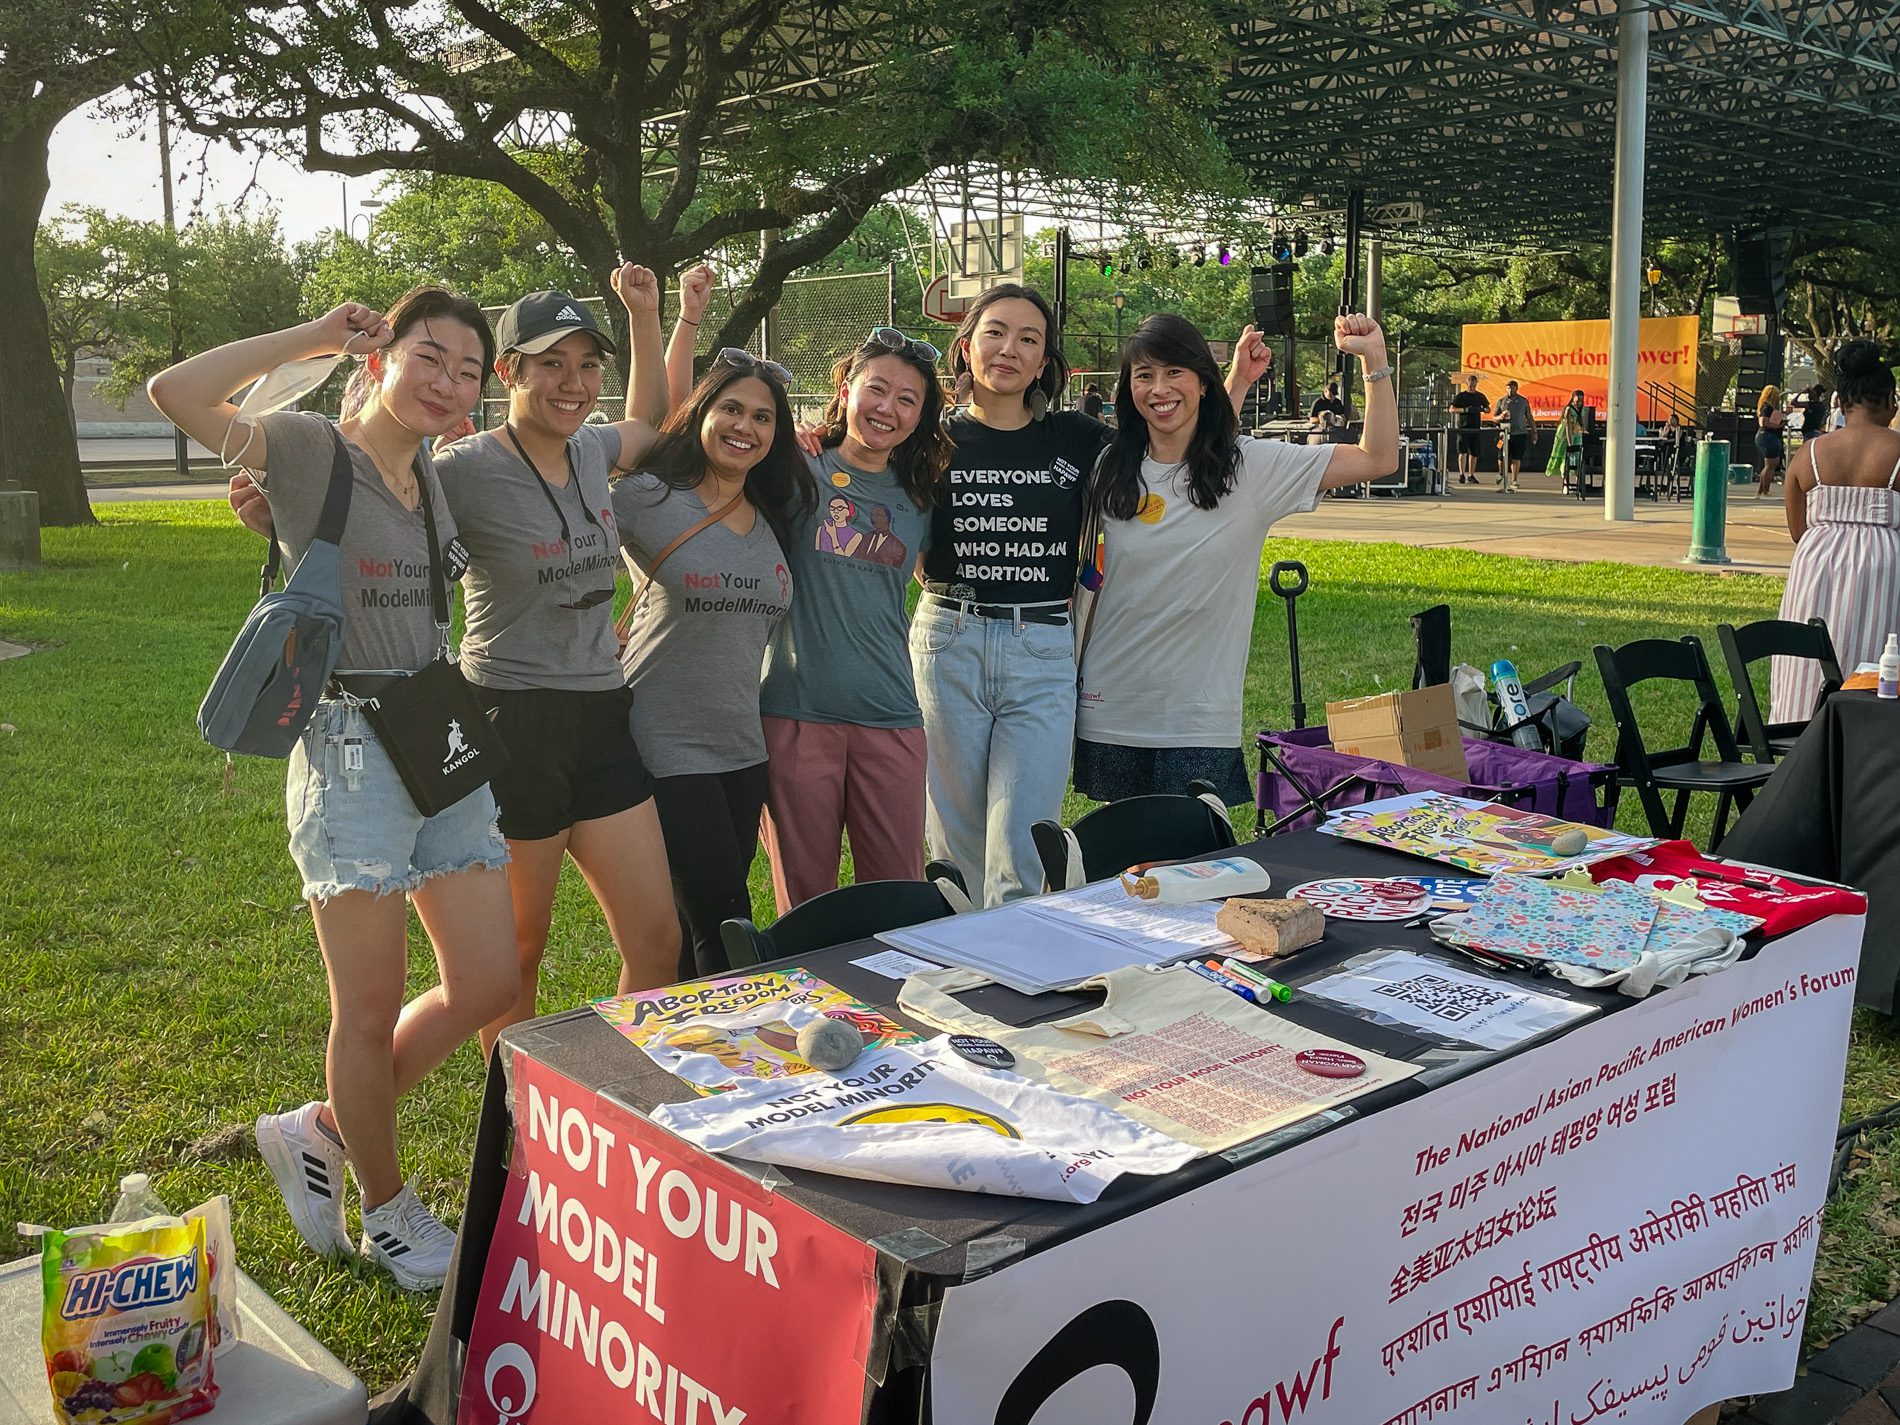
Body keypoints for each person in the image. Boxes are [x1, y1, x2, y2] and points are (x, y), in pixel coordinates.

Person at [150, 289, 517, 1289]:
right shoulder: (315, 447)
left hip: (437, 728)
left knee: (489, 981)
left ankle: (318, 1129)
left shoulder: (433, 475)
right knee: (369, 1006)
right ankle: (389, 1211)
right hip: (350, 744)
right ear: (379, 358)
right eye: (428, 359)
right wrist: (312, 335)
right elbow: (176, 391)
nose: (447, 384)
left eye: (467, 371)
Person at [911, 283, 1259, 904]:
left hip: (1043, 649)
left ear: (1046, 363)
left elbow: (1173, 444)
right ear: (966, 348)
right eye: (994, 333)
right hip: (948, 640)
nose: (1009, 350)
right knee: (953, 844)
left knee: (1026, 844)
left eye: (1029, 339)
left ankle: (1015, 978)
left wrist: (1228, 386)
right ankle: (957, 967)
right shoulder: (929, 440)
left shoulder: (1080, 440)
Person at [1074, 312, 1397, 804]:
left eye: (1174, 372)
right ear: (1128, 388)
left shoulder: (1251, 469)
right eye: (1144, 375)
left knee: (1193, 873)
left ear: (1202, 381)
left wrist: (1375, 358)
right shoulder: (1108, 467)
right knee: (1123, 873)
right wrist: (1237, 381)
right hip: (1108, 710)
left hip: (1196, 721)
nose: (1158, 388)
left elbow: (1378, 458)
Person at [617, 341, 816, 974]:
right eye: (731, 409)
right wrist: (654, 322)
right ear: (701, 412)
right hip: (664, 741)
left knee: (682, 927)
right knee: (724, 922)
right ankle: (727, 1056)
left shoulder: (771, 517)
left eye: (763, 417)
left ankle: (649, 1046)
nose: (745, 427)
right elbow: (569, 525)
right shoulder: (649, 497)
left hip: (741, 749)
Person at [757, 328, 952, 911]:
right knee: (805, 899)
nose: (887, 409)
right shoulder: (792, 470)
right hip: (797, 712)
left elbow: (925, 578)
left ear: (920, 417)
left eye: (908, 399)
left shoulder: (920, 496)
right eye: (877, 389)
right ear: (845, 388)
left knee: (897, 899)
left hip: (890, 715)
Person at [1771, 340, 1900, 723]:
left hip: (1816, 568)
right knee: (1880, 660)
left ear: (1841, 404)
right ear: (1891, 400)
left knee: (1805, 671)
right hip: (1885, 570)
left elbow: (1798, 529)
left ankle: (1801, 742)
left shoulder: (1808, 454)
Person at [1449, 374, 1489, 484]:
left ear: (1476, 384)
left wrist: (1482, 409)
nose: (1472, 386)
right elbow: (1452, 409)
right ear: (1467, 384)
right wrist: (1465, 410)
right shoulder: (1461, 396)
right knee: (1462, 451)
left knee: (1474, 452)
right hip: (1463, 427)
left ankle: (1471, 475)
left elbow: (1488, 408)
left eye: (1473, 384)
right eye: (1470, 384)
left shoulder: (1480, 396)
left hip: (1475, 427)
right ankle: (1462, 474)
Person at [1494, 379, 1533, 491]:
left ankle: (1514, 480)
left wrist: (1534, 431)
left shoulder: (1523, 401)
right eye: (1508, 388)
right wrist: (1500, 416)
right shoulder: (1501, 401)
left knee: (1517, 457)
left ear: (1516, 388)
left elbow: (1529, 417)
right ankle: (1501, 473)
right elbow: (1494, 418)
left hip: (1520, 433)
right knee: (1500, 455)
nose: (1510, 390)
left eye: (1512, 388)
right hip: (1503, 434)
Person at [1546, 389, 1587, 491]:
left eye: (1581, 401)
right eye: (1577, 401)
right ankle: (1566, 483)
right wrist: (1570, 443)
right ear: (1572, 400)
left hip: (1577, 436)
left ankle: (1579, 483)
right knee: (1566, 459)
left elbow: (1581, 424)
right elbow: (1568, 427)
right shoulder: (1569, 409)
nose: (1579, 403)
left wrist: (1582, 430)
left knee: (1578, 459)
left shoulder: (1583, 410)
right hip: (1565, 437)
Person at [1756, 385, 1786, 497]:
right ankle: (1765, 490)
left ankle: (1761, 490)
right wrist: (1778, 426)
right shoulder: (1767, 407)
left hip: (1764, 436)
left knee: (1768, 465)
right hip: (1768, 436)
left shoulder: (1764, 407)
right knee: (1771, 465)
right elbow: (1763, 422)